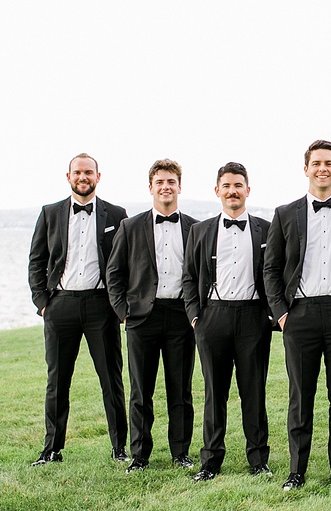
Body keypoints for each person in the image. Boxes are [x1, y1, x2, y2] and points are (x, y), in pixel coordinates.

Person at [263, 139, 331, 491]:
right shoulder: (285, 213)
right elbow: (271, 268)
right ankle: (296, 471)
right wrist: (282, 315)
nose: (323, 169)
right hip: (301, 315)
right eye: (317, 163)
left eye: (329, 163)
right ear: (306, 168)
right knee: (301, 397)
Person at [28, 153, 128, 466]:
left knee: (111, 379)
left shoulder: (116, 214)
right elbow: (37, 260)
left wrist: (119, 304)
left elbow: (123, 262)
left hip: (101, 306)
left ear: (98, 177)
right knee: (57, 381)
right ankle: (52, 450)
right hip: (61, 305)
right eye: (77, 172)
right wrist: (43, 303)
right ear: (68, 176)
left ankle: (119, 448)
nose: (82, 177)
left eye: (88, 172)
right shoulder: (50, 213)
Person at [182, 162, 273, 482]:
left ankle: (259, 458)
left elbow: (276, 273)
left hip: (253, 318)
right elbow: (189, 278)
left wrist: (270, 315)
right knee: (214, 392)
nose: (232, 191)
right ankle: (210, 460)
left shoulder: (266, 228)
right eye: (227, 186)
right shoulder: (200, 231)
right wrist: (195, 316)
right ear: (217, 191)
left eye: (238, 185)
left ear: (248, 190)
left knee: (254, 391)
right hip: (213, 318)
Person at [106, 159, 197, 473]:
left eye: (171, 181)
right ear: (151, 187)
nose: (166, 187)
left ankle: (181, 452)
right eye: (160, 182)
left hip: (182, 317)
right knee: (140, 391)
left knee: (180, 390)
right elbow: (114, 273)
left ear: (179, 187)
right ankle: (140, 455)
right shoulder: (130, 227)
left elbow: (201, 275)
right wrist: (123, 313)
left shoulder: (195, 228)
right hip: (142, 317)